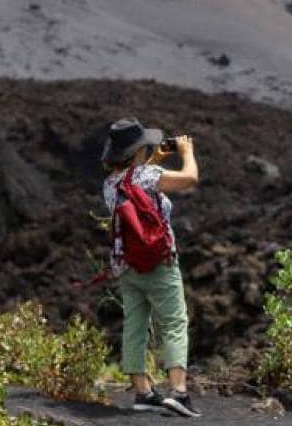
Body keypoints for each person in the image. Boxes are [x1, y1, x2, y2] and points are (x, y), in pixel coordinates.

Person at [101, 117, 201, 418]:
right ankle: (179, 392)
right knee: (173, 322)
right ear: (136, 151)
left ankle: (143, 392)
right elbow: (190, 179)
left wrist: (152, 160)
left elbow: (137, 181)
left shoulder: (109, 184)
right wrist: (186, 152)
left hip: (127, 266)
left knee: (135, 324)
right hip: (159, 263)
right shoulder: (149, 175)